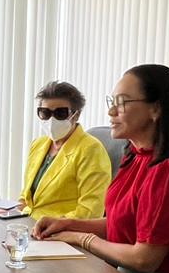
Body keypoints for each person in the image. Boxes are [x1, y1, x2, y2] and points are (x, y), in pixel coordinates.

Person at [34, 65, 169, 273]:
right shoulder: (137, 156)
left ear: (156, 108)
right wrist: (68, 224)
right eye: (112, 101)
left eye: (122, 103)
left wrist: (82, 238)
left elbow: (144, 259)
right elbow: (125, 225)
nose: (110, 111)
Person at [17, 81, 111, 219]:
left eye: (60, 113)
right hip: (28, 223)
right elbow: (27, 196)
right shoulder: (38, 144)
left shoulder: (91, 149)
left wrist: (54, 224)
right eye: (45, 113)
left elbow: (91, 210)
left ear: (76, 115)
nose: (51, 119)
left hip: (61, 231)